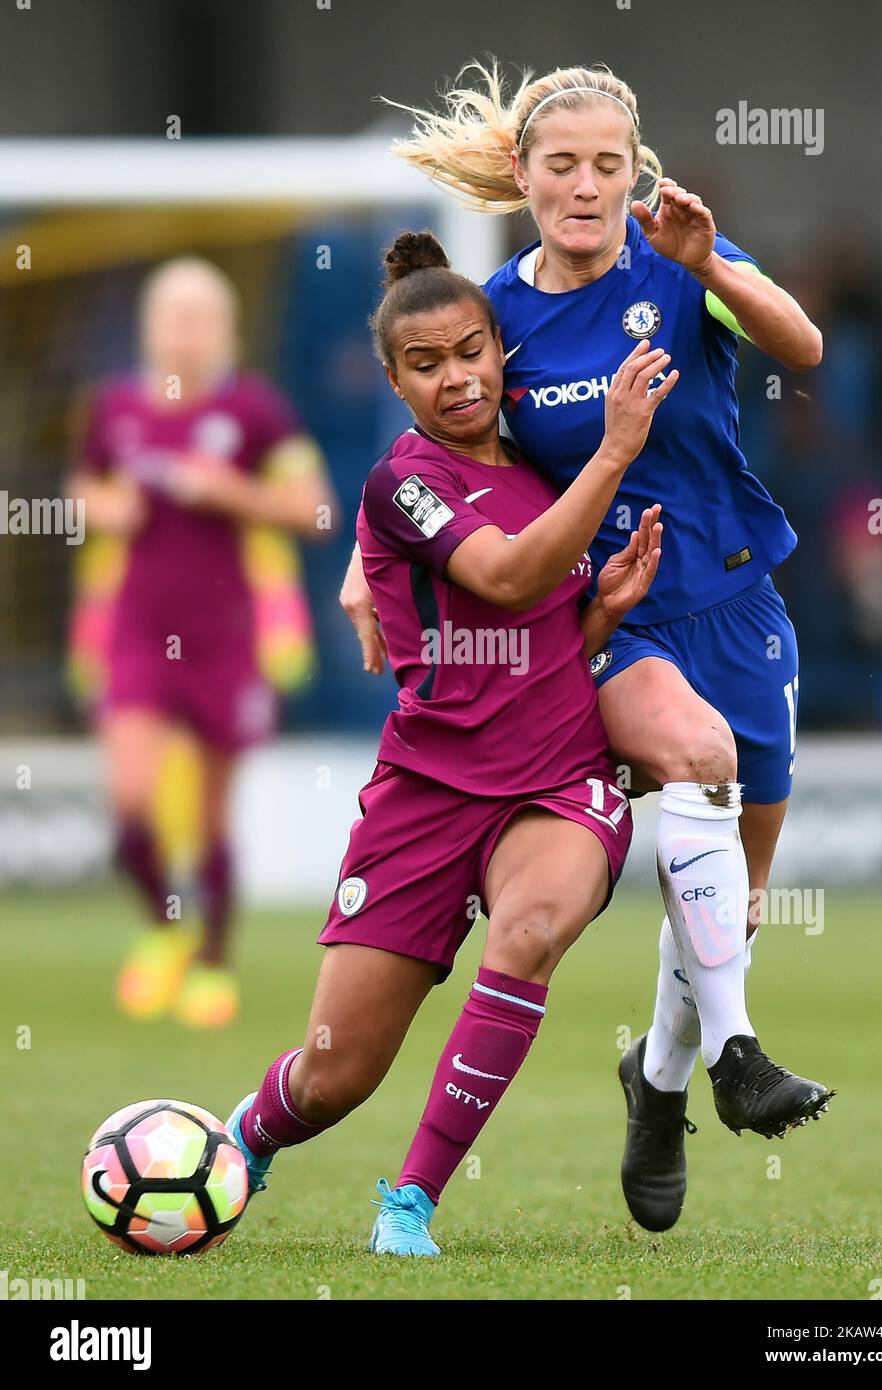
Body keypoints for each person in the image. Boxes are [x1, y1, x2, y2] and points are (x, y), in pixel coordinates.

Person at [341, 60, 833, 1232]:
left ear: (632, 168)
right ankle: (734, 1054)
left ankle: (656, 1081)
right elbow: (433, 457)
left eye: (604, 163)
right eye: (559, 163)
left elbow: (802, 346)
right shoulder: (496, 316)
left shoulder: (682, 259)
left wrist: (711, 259)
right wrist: (364, 563)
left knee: (734, 908)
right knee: (694, 751)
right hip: (606, 616)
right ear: (522, 175)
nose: (583, 183)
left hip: (739, 600)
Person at [225, 228, 669, 1257]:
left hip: (556, 780)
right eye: (425, 365)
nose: (456, 378)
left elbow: (535, 630)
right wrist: (613, 451)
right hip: (426, 791)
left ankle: (409, 1200)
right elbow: (507, 579)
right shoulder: (400, 484)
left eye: (470, 351)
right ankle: (244, 1137)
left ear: (498, 351)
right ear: (392, 379)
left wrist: (599, 611)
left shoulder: (542, 466)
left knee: (525, 936)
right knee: (332, 1075)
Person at [67, 257, 337, 1027]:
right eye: (172, 314)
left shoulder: (256, 411)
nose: (185, 329)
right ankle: (162, 925)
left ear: (227, 327)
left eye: (200, 315)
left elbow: (315, 510)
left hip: (227, 636)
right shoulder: (115, 406)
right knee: (129, 800)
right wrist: (103, 508)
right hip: (137, 633)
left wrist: (233, 493)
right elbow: (84, 486)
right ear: (150, 325)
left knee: (215, 816)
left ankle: (213, 962)